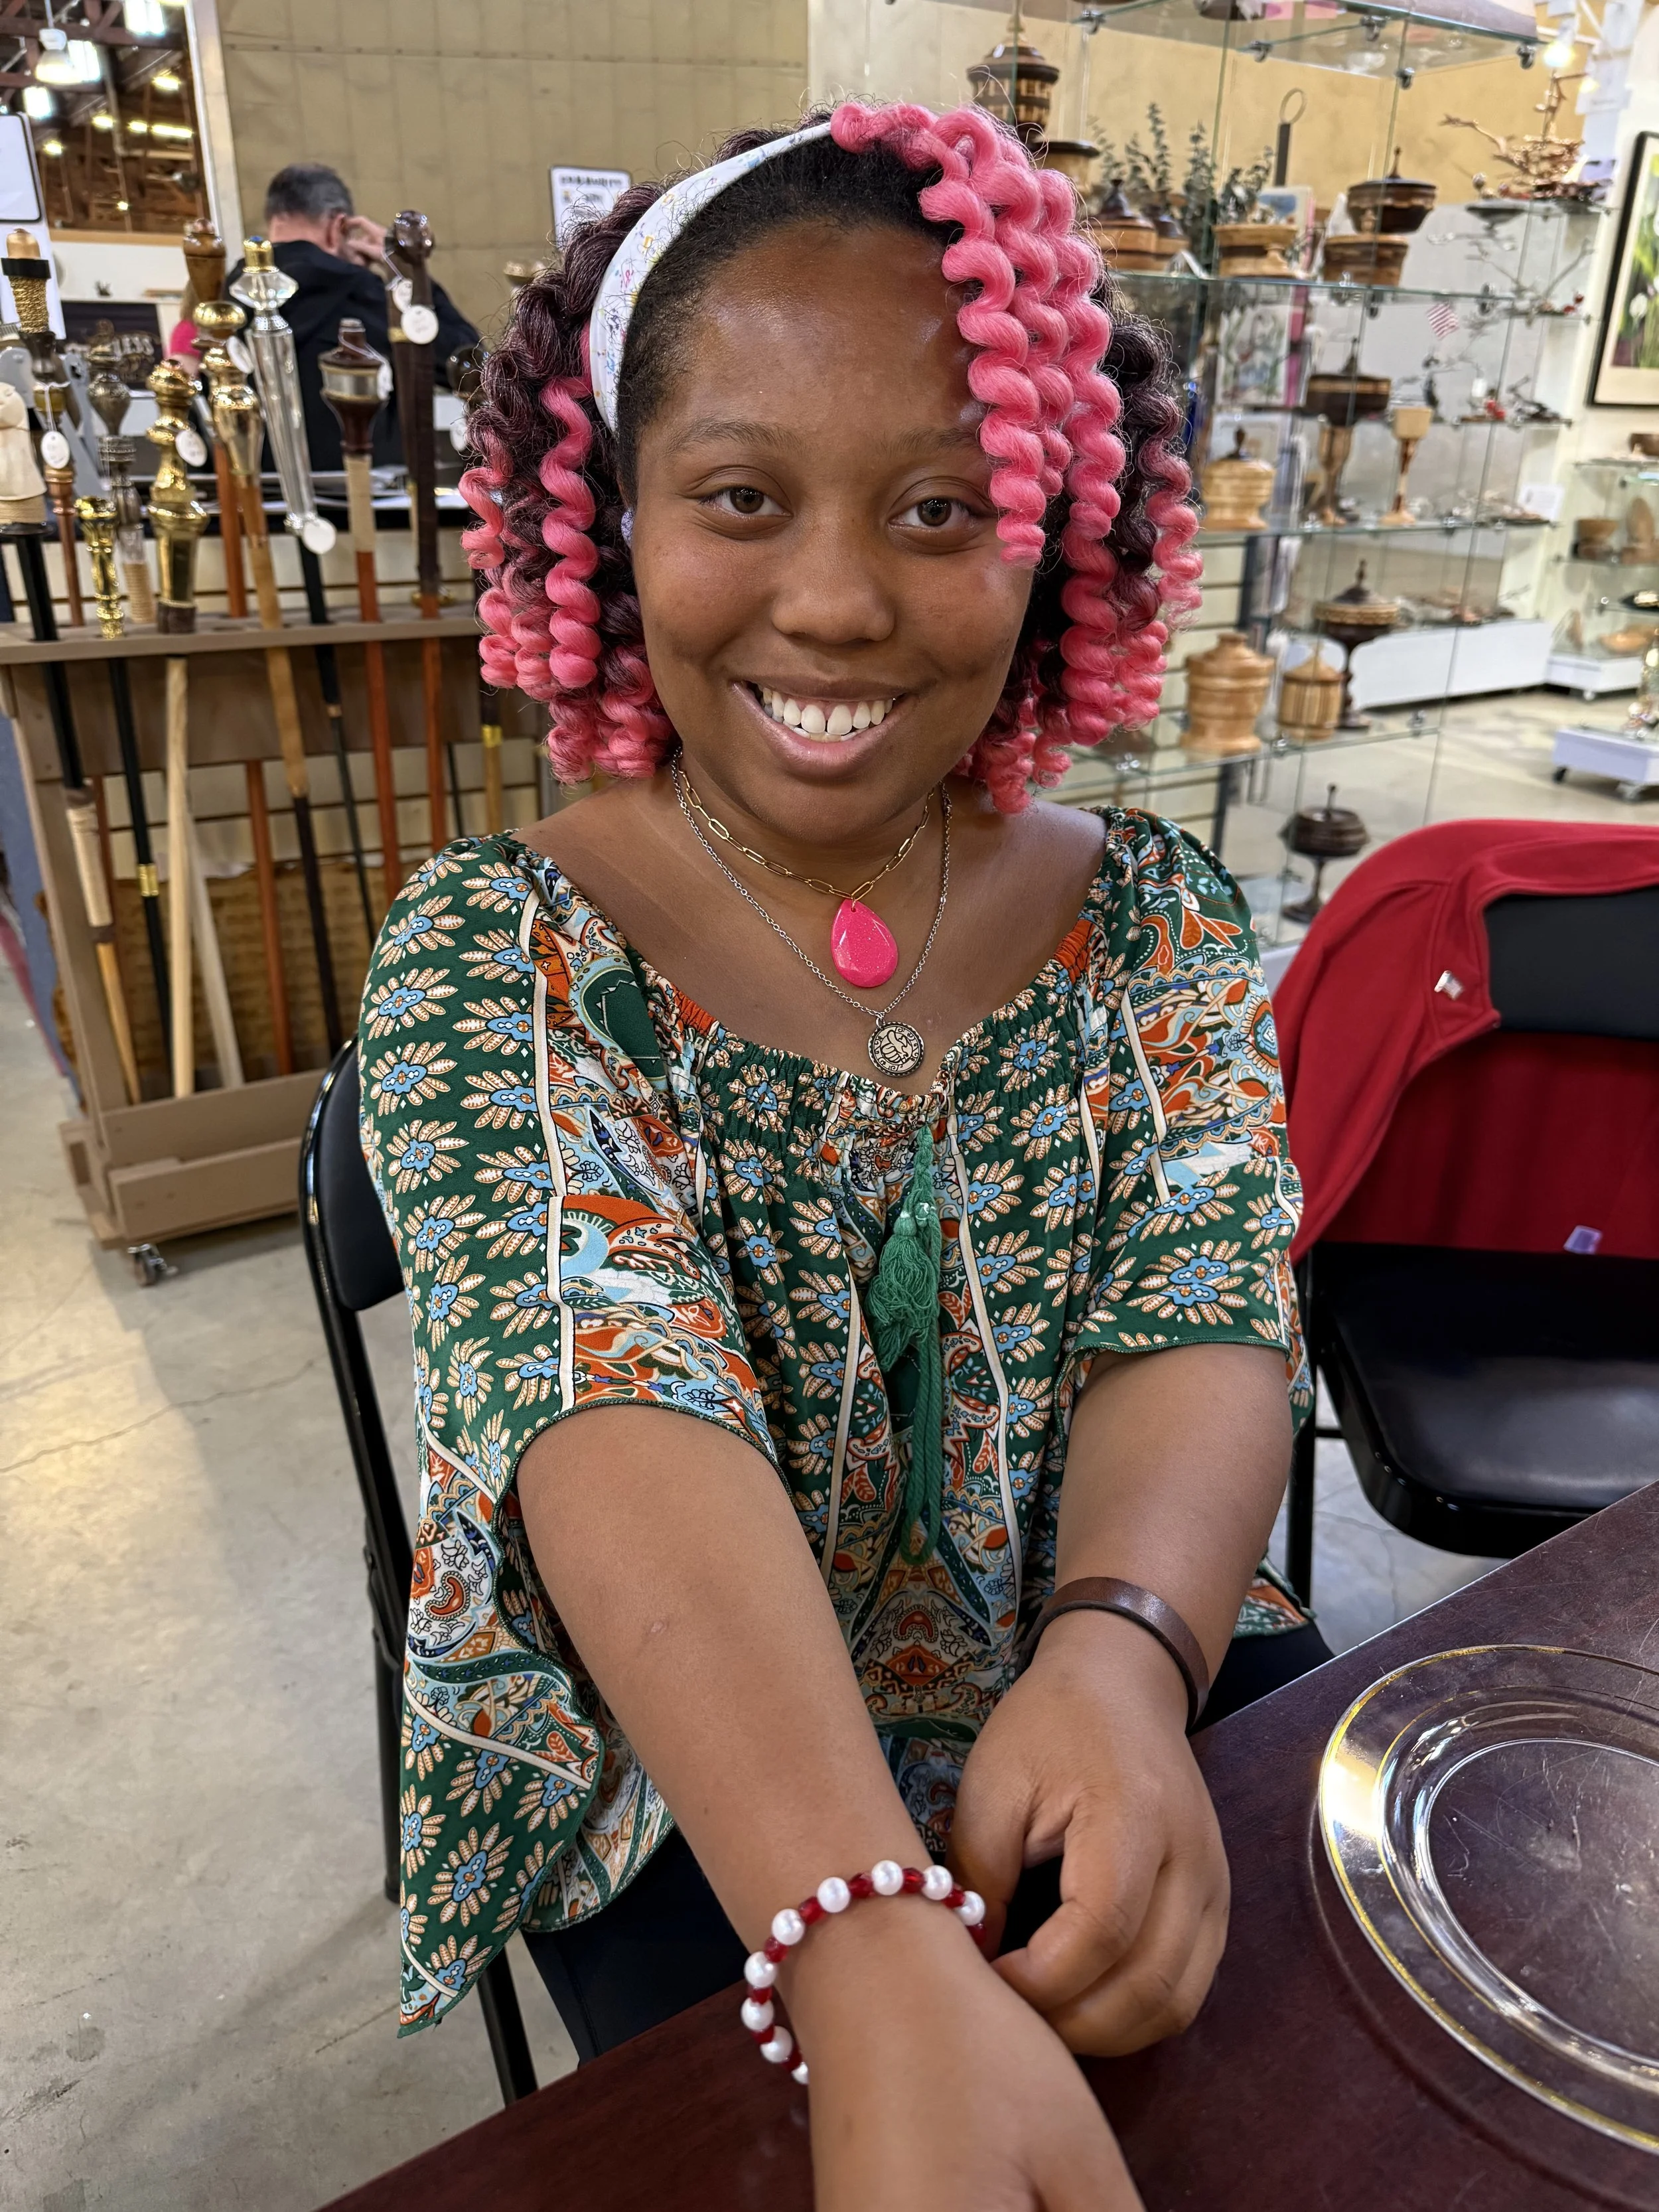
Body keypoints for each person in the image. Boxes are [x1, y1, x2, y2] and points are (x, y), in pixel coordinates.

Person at [360, 102, 1329, 2212]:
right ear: (600, 514)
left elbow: (1202, 1295)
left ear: (1058, 538)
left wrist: (1114, 1651)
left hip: (1106, 1648)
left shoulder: (1146, 914)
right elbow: (606, 1385)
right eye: (736, 496)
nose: (830, 600)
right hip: (693, 1769)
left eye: (933, 510)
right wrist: (851, 1927)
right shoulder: (499, 960)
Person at [227, 161, 477, 469]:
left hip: (258, 493)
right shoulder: (359, 289)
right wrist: (407, 272)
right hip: (364, 494)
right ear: (338, 227)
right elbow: (466, 363)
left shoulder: (229, 294)